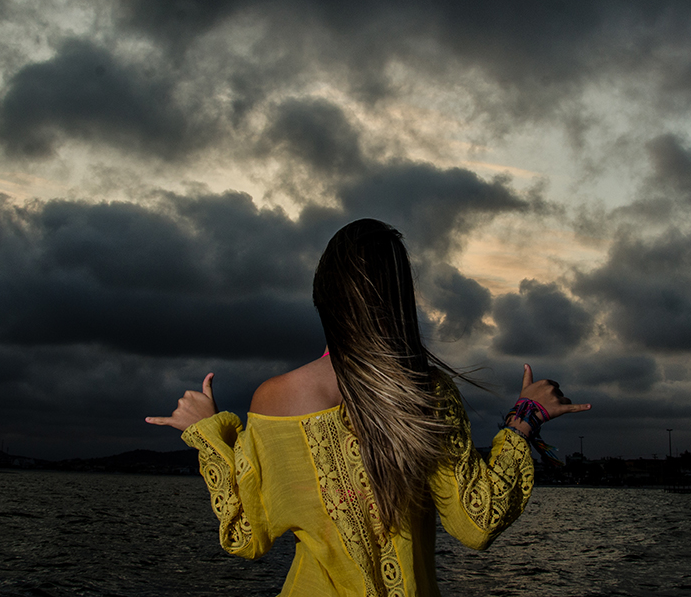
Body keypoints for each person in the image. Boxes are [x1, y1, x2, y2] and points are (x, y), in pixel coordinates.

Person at [146, 219, 589, 596]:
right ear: (400, 299)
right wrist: (523, 420)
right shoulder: (426, 390)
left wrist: (207, 433)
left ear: (324, 296)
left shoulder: (274, 398)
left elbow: (248, 534)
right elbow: (476, 522)